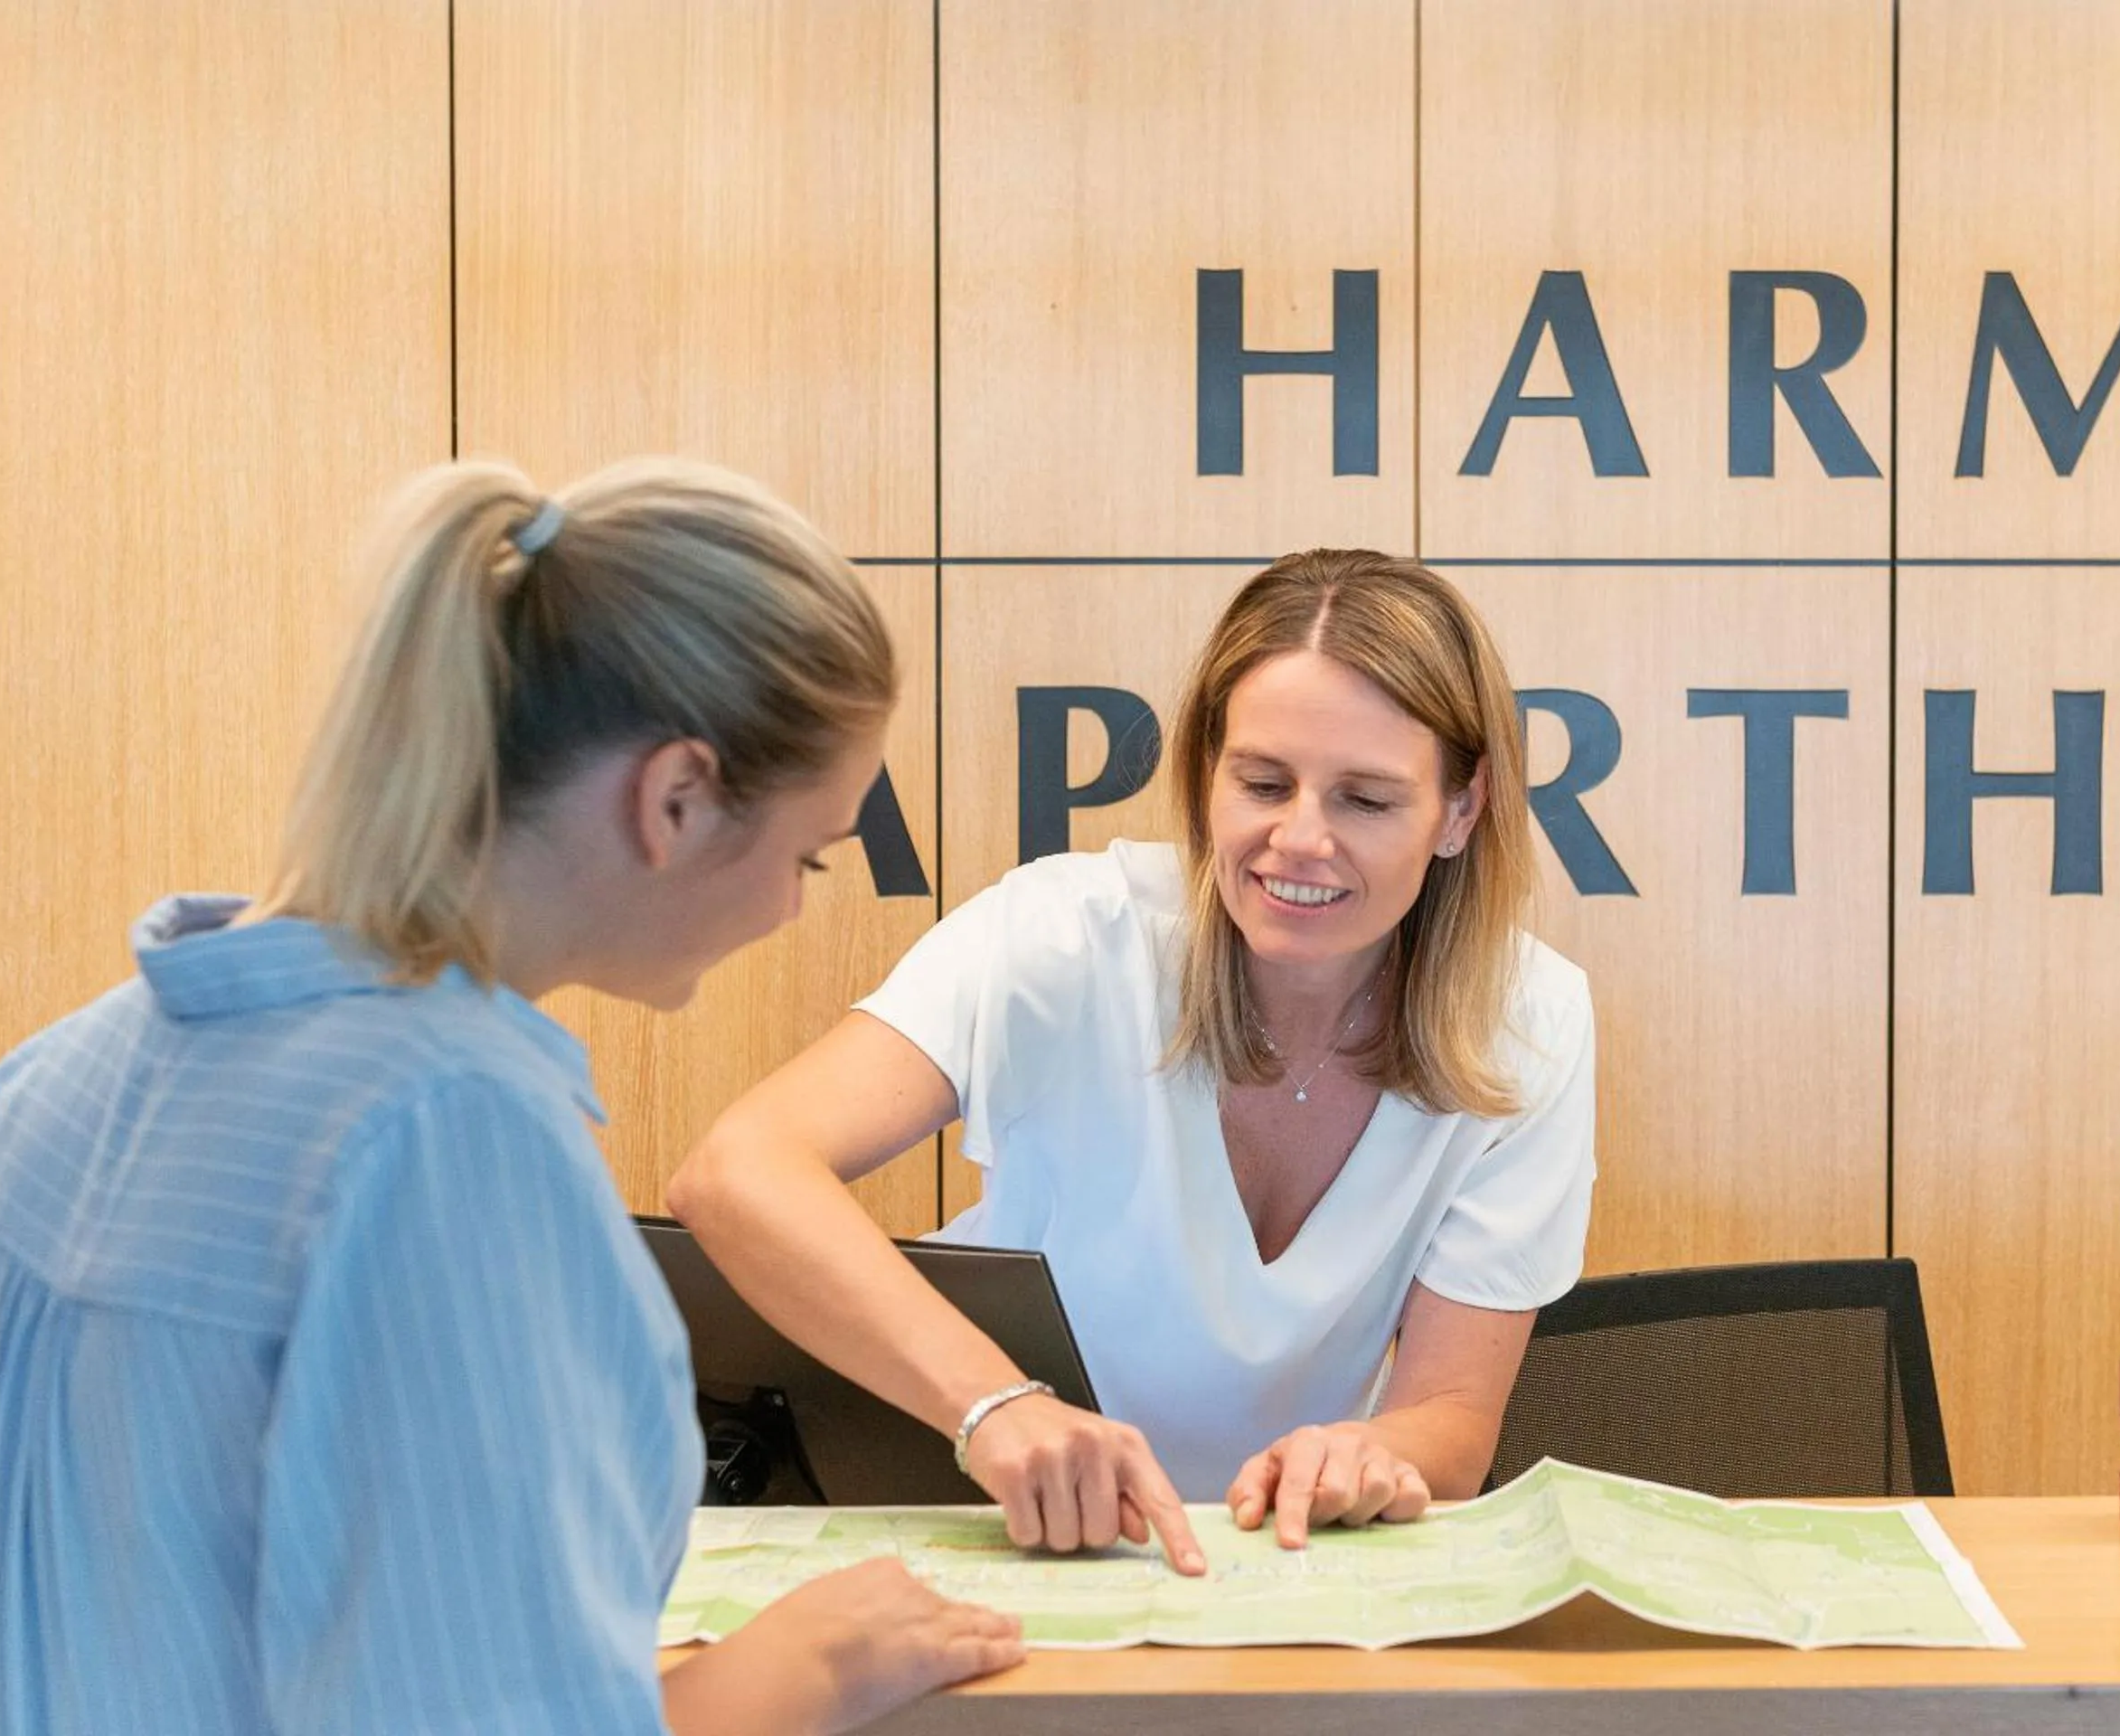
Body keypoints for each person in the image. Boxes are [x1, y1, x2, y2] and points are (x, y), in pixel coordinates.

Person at [0, 459, 1022, 1735]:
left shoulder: (29, 1095)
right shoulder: (450, 1141)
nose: (790, 906)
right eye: (806, 854)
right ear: (674, 798)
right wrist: (809, 1669)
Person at [670, 548, 1597, 1561]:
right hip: (970, 1519)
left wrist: (1369, 1457)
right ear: (1206, 776)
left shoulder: (1532, 1023)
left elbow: (1451, 1425)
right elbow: (737, 1172)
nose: (1298, 838)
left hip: (1273, 1566)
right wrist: (996, 1408)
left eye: (1365, 801)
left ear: (1460, 812)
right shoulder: (1068, 934)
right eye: (1262, 781)